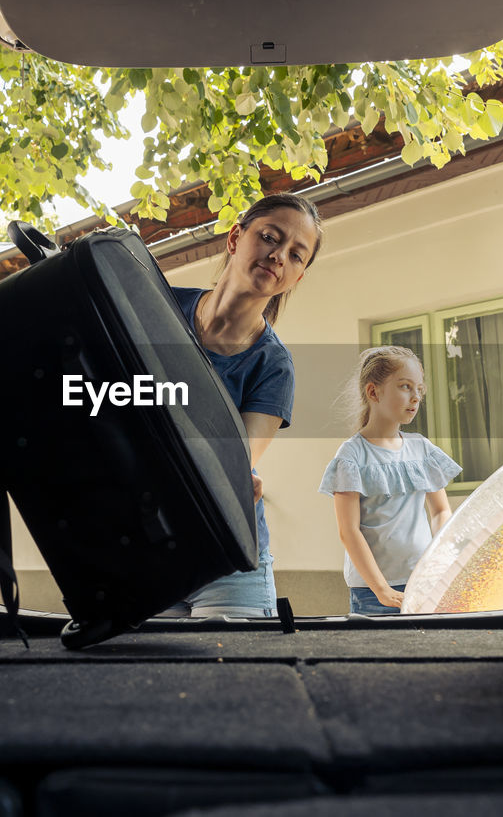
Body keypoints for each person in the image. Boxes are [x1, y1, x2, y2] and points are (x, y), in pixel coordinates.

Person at [161, 192, 323, 617]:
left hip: (228, 563)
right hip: (146, 547)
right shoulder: (156, 306)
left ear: (297, 277)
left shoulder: (274, 365)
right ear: (235, 237)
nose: (279, 256)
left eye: (296, 255)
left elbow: (233, 460)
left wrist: (230, 472)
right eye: (270, 237)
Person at [319, 345, 462, 615]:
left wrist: (437, 562)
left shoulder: (422, 449)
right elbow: (349, 531)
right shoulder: (352, 455)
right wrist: (381, 589)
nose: (416, 397)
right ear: (373, 392)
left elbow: (441, 511)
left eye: (419, 389)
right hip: (373, 594)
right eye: (406, 386)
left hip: (423, 584)